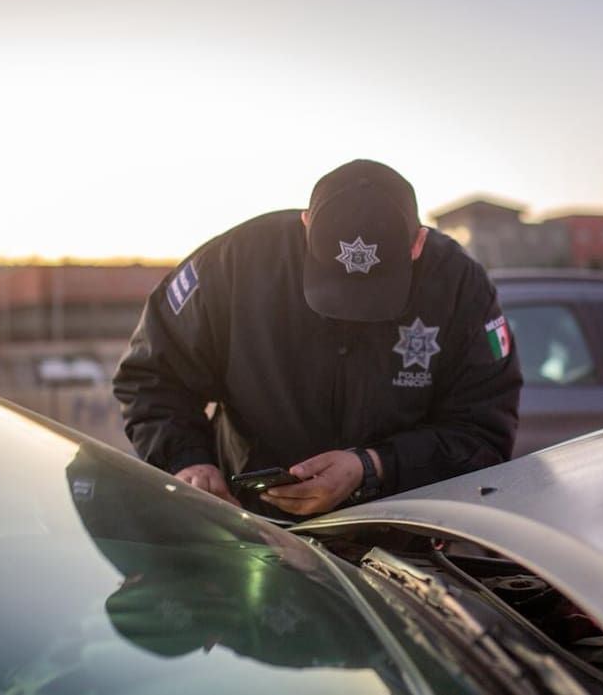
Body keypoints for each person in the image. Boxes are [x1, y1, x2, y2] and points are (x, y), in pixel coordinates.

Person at [112, 159, 521, 518]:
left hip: (400, 538)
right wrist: (189, 462)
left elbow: (482, 430)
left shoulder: (459, 288)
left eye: (374, 294)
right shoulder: (233, 265)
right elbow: (151, 379)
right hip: (249, 526)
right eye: (334, 286)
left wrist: (373, 466)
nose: (351, 312)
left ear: (418, 244)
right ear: (305, 224)